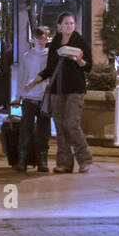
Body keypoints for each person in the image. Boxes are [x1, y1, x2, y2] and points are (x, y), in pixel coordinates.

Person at [38, 14, 93, 173]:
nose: (69, 26)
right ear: (59, 26)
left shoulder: (79, 42)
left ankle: (85, 159)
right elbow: (50, 68)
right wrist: (35, 81)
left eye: (72, 23)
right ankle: (64, 163)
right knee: (60, 126)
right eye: (66, 23)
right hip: (57, 89)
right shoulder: (55, 43)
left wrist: (79, 60)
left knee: (71, 124)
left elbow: (88, 67)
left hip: (75, 90)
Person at [15, 26, 52, 172]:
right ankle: (23, 159)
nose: (41, 41)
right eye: (39, 38)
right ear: (33, 39)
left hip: (44, 97)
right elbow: (21, 76)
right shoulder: (27, 56)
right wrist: (17, 96)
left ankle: (42, 159)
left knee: (44, 130)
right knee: (26, 128)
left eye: (44, 38)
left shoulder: (50, 56)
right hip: (29, 96)